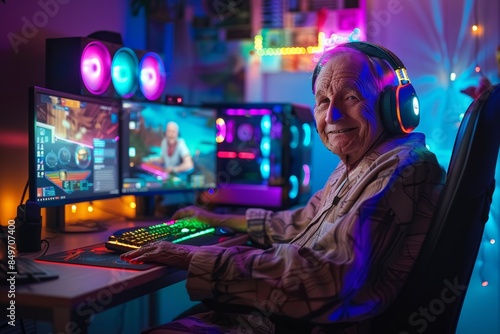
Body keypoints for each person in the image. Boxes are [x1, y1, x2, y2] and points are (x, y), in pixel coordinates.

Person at [121, 42, 446, 333]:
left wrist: (193, 257)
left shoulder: (401, 167)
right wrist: (215, 219)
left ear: (395, 105)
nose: (332, 115)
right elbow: (300, 222)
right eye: (322, 100)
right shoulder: (359, 163)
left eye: (350, 96)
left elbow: (328, 279)